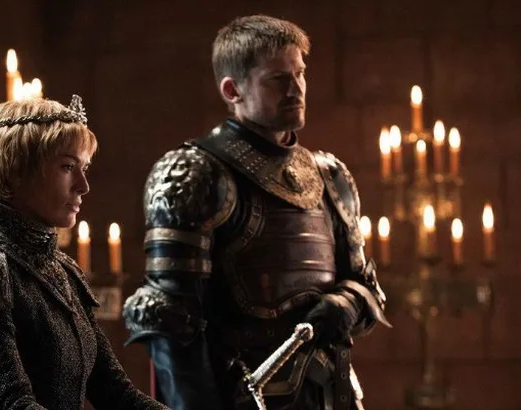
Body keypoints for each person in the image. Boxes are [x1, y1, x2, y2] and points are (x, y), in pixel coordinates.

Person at [123, 15, 391, 410]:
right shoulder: (194, 174)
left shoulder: (330, 176)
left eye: (300, 74)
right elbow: (168, 321)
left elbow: (366, 286)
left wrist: (345, 303)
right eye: (278, 79)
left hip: (331, 395)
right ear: (232, 89)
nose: (296, 89)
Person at [0, 96, 168, 410]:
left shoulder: (64, 270)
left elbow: (117, 394)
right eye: (67, 167)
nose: (83, 185)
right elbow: (13, 404)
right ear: (16, 170)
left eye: (84, 168)